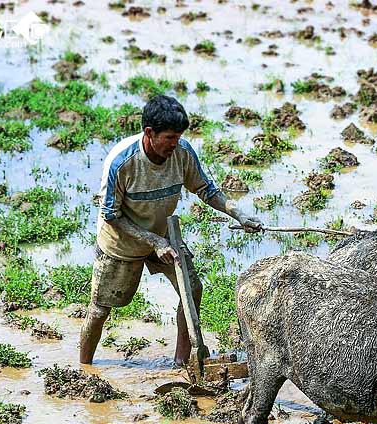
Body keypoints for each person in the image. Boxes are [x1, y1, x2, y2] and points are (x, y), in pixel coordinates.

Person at [79, 95, 262, 366]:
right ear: (149, 133)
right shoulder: (123, 163)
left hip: (164, 236)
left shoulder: (182, 153)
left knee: (192, 290)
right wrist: (152, 241)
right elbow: (110, 216)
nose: (174, 144)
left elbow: (206, 190)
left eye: (178, 137)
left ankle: (181, 362)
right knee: (100, 310)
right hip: (122, 242)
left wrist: (239, 213)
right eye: (169, 138)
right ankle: (84, 369)